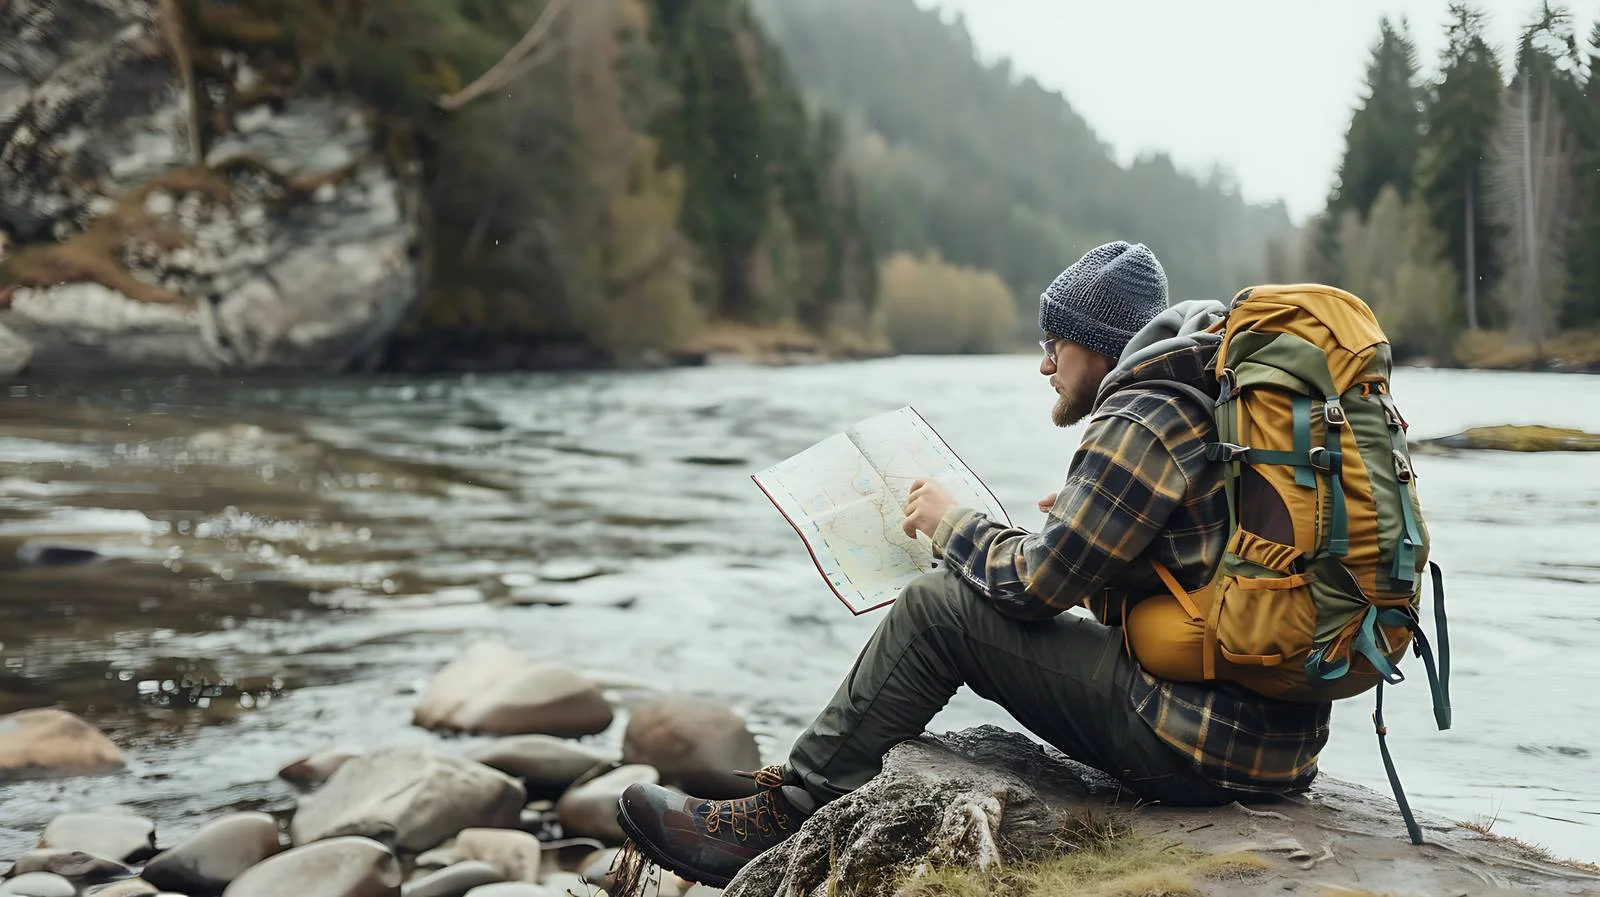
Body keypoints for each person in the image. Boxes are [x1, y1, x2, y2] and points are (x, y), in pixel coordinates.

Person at [614, 241, 1333, 889]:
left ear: (1099, 346)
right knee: (968, 583)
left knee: (936, 607)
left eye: (1056, 343)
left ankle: (791, 811)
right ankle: (800, 795)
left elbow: (1036, 587)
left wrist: (951, 522)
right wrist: (1091, 543)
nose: (1046, 364)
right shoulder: (1211, 393)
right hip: (1275, 746)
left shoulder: (1142, 415)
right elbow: (1192, 583)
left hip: (1199, 746)